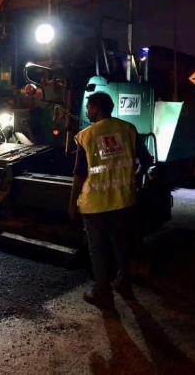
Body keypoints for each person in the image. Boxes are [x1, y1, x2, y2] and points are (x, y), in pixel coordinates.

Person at [68, 92, 152, 310]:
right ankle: (124, 283)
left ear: (96, 108)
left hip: (95, 204)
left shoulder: (86, 135)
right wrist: (136, 176)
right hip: (124, 200)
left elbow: (79, 174)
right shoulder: (128, 129)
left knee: (98, 249)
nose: (87, 111)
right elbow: (146, 160)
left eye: (89, 107)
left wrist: (72, 202)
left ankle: (102, 292)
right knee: (121, 244)